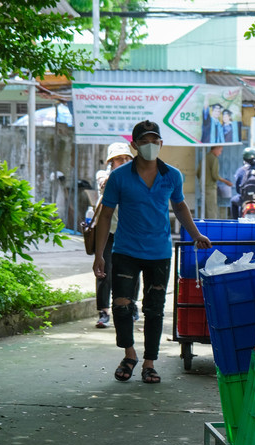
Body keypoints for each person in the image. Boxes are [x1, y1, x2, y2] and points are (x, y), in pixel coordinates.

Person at [92, 120, 212, 384]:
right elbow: (106, 215)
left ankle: (149, 363)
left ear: (161, 143)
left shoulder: (172, 175)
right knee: (121, 305)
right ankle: (129, 354)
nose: (150, 145)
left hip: (159, 252)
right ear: (134, 145)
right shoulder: (119, 177)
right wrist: (99, 255)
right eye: (144, 141)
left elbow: (179, 206)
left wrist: (196, 235)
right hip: (125, 250)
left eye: (154, 141)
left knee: (154, 309)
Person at [93, 143, 138, 328]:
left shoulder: (136, 176)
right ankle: (103, 311)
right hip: (108, 231)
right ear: (111, 162)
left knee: (133, 270)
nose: (124, 162)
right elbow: (104, 183)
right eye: (119, 159)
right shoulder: (103, 175)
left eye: (127, 158)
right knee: (104, 270)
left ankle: (132, 306)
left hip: (130, 230)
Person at [197, 145, 232, 220]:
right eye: (220, 151)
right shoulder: (214, 158)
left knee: (205, 210)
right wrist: (226, 182)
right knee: (212, 210)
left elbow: (198, 173)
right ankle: (213, 226)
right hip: (210, 187)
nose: (220, 153)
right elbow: (215, 175)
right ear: (215, 149)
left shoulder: (205, 157)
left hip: (203, 186)